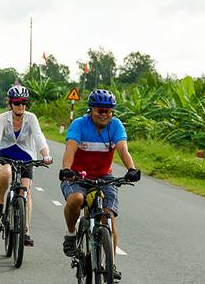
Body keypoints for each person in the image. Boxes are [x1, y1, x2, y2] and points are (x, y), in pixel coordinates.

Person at [59, 89, 141, 281]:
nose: (104, 114)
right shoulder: (79, 124)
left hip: (105, 177)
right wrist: (66, 169)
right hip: (77, 176)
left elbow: (123, 149)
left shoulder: (116, 125)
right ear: (91, 110)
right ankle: (71, 234)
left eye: (108, 111)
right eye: (100, 110)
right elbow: (70, 147)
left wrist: (131, 168)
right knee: (77, 199)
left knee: (109, 216)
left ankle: (111, 264)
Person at [0, 85, 52, 247]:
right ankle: (1, 200)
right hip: (5, 152)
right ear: (10, 104)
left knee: (26, 192)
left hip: (26, 155)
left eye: (24, 103)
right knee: (6, 174)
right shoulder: (3, 117)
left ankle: (25, 231)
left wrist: (46, 155)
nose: (20, 106)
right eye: (17, 103)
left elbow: (39, 137)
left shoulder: (31, 118)